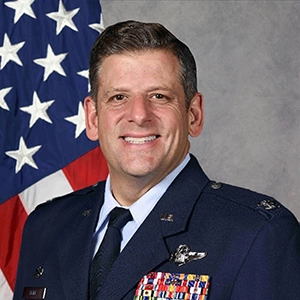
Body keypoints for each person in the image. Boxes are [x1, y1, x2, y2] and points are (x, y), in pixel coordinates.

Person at [14, 20, 300, 300]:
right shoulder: (46, 227)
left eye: (160, 96)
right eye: (118, 97)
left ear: (194, 115)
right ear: (93, 118)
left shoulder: (256, 233)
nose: (139, 115)